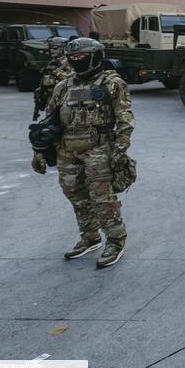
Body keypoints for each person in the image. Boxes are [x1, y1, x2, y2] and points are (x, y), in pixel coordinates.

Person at [31, 38, 134, 269]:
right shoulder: (63, 86)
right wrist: (38, 151)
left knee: (102, 199)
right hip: (66, 150)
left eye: (82, 57)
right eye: (73, 58)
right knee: (75, 195)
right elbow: (49, 121)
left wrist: (120, 148)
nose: (77, 61)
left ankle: (116, 240)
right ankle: (90, 236)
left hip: (99, 148)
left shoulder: (111, 83)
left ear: (96, 56)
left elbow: (125, 119)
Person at [34, 37, 73, 118]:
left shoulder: (68, 61)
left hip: (63, 95)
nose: (52, 50)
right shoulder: (53, 61)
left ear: (63, 48)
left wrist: (56, 71)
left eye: (55, 48)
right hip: (51, 96)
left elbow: (71, 78)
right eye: (50, 48)